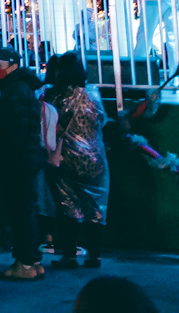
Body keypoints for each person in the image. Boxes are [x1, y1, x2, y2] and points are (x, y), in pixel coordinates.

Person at [0, 45, 47, 281]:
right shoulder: (22, 88)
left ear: (13, 67)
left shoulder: (15, 92)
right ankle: (32, 260)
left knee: (20, 213)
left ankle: (24, 263)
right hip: (25, 160)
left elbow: (8, 130)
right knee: (26, 210)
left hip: (16, 161)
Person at [42, 51, 110, 269]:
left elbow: (50, 126)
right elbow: (101, 120)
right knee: (95, 209)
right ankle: (95, 256)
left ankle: (69, 256)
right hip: (95, 159)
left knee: (67, 208)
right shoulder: (93, 93)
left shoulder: (55, 96)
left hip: (65, 160)